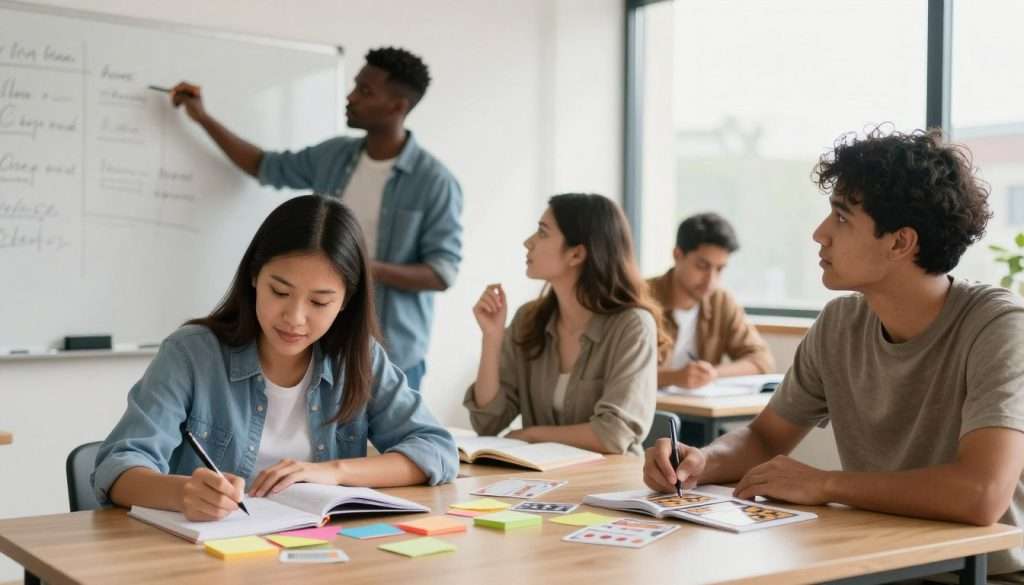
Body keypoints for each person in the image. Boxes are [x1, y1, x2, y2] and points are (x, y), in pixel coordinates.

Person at [643, 127, 1024, 577]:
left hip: (984, 574)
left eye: (841, 218)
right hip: (881, 563)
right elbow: (765, 438)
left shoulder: (998, 326)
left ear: (900, 242)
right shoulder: (839, 323)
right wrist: (703, 461)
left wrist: (825, 483)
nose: (819, 234)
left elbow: (981, 493)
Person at [93, 195, 458, 522]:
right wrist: (181, 493)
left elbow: (436, 450)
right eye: (280, 291)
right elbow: (118, 465)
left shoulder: (358, 357)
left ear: (346, 301)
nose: (295, 318)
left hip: (320, 556)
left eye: (319, 302)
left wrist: (333, 472)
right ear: (254, 275)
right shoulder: (191, 354)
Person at [168, 46, 462, 390]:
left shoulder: (434, 182)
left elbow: (442, 272)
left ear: (397, 106)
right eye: (355, 85)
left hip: (395, 353)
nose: (351, 97)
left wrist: (359, 266)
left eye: (365, 91)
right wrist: (202, 118)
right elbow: (264, 165)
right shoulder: (334, 155)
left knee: (394, 441)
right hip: (322, 344)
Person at [465, 193, 668, 455]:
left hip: (609, 482)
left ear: (576, 254)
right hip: (540, 480)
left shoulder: (632, 325)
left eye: (542, 233)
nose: (528, 242)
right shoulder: (529, 319)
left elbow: (613, 433)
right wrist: (491, 338)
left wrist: (530, 435)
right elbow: (487, 422)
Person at [647, 213, 774, 390]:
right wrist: (674, 377)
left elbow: (761, 359)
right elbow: (615, 373)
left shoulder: (720, 301)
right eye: (702, 266)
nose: (711, 280)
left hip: (700, 412)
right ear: (677, 255)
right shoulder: (641, 298)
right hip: (650, 413)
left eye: (720, 269)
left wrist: (711, 373)